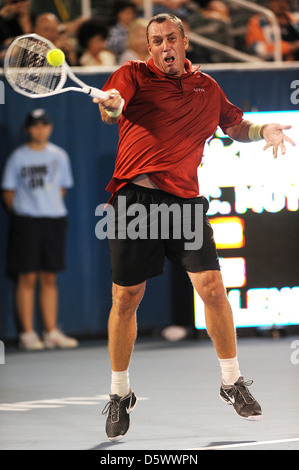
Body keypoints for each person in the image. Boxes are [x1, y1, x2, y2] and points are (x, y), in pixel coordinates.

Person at [93, 13, 295, 441]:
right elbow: (115, 104)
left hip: (185, 202)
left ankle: (231, 382)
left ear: (184, 42)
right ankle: (119, 393)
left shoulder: (208, 87)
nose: (163, 46)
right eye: (155, 41)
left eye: (170, 38)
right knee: (126, 297)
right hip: (136, 200)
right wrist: (112, 106)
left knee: (213, 289)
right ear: (148, 48)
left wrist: (264, 130)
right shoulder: (131, 75)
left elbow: (234, 124)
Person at [1, 109, 78, 351]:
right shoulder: (18, 158)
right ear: (27, 129)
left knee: (49, 277)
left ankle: (51, 332)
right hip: (27, 223)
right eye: (35, 126)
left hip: (53, 221)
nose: (40, 130)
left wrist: (47, 207)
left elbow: (62, 188)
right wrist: (27, 212)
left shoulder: (60, 156)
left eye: (44, 125)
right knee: (27, 277)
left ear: (50, 128)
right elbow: (8, 192)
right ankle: (27, 334)